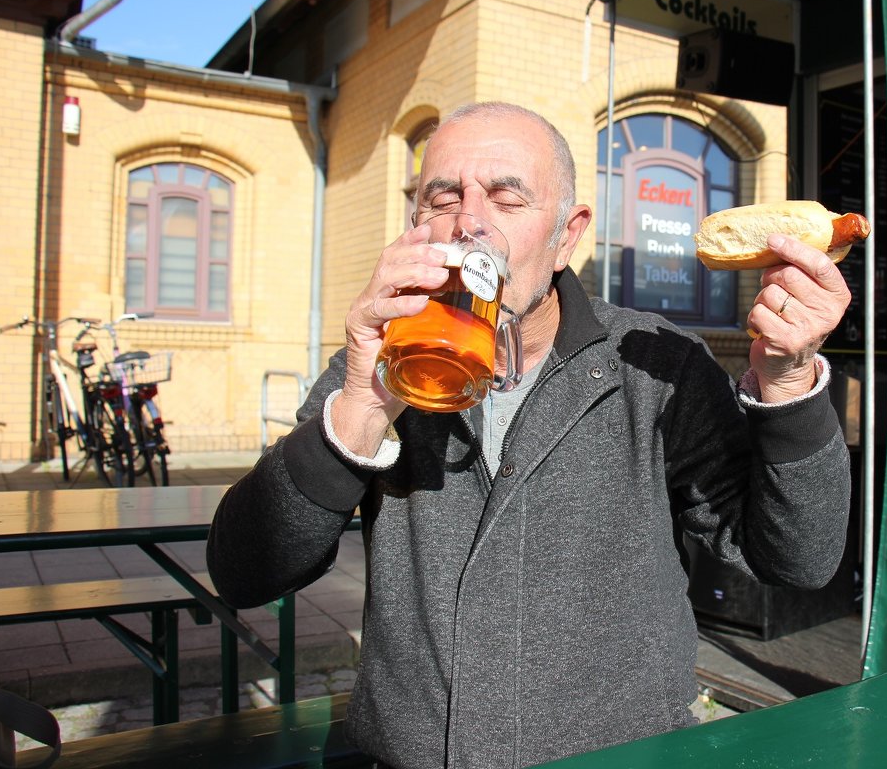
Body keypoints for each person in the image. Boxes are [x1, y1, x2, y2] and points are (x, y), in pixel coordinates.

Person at [207, 101, 853, 769]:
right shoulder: (376, 365)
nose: (468, 222)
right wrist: (364, 411)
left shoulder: (656, 364)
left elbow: (797, 559)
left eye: (506, 199)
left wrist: (788, 384)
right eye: (443, 198)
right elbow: (243, 571)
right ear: (416, 225)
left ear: (567, 237)